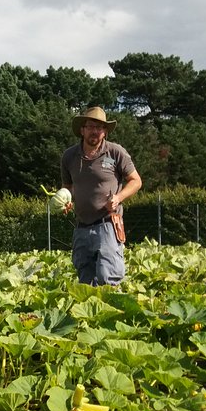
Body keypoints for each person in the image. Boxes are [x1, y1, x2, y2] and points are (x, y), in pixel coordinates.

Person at [60, 106, 142, 286]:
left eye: (99, 127)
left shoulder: (115, 152)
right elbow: (68, 187)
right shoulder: (69, 156)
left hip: (108, 224)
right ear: (82, 130)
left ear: (105, 131)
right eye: (91, 126)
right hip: (81, 227)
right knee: (85, 281)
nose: (95, 131)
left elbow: (136, 181)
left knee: (108, 278)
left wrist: (118, 198)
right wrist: (67, 200)